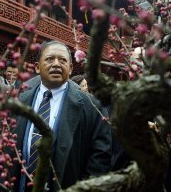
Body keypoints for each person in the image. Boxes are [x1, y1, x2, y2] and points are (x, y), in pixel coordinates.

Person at [13, 40, 111, 191]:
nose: (57, 64)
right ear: (38, 67)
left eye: (63, 60)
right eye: (50, 59)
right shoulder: (19, 99)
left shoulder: (92, 106)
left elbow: (100, 158)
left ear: (71, 68)